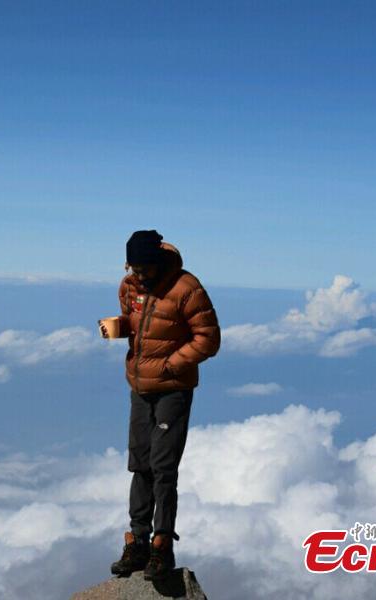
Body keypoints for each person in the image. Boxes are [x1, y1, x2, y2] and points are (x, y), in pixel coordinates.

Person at [99, 229, 220, 581]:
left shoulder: (186, 288)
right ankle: (137, 541)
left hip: (173, 390)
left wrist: (170, 365)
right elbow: (138, 325)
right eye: (133, 268)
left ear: (157, 261)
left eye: (144, 269)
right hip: (139, 386)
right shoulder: (129, 286)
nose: (138, 275)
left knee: (163, 467)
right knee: (140, 464)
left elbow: (209, 338)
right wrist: (119, 327)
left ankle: (162, 546)